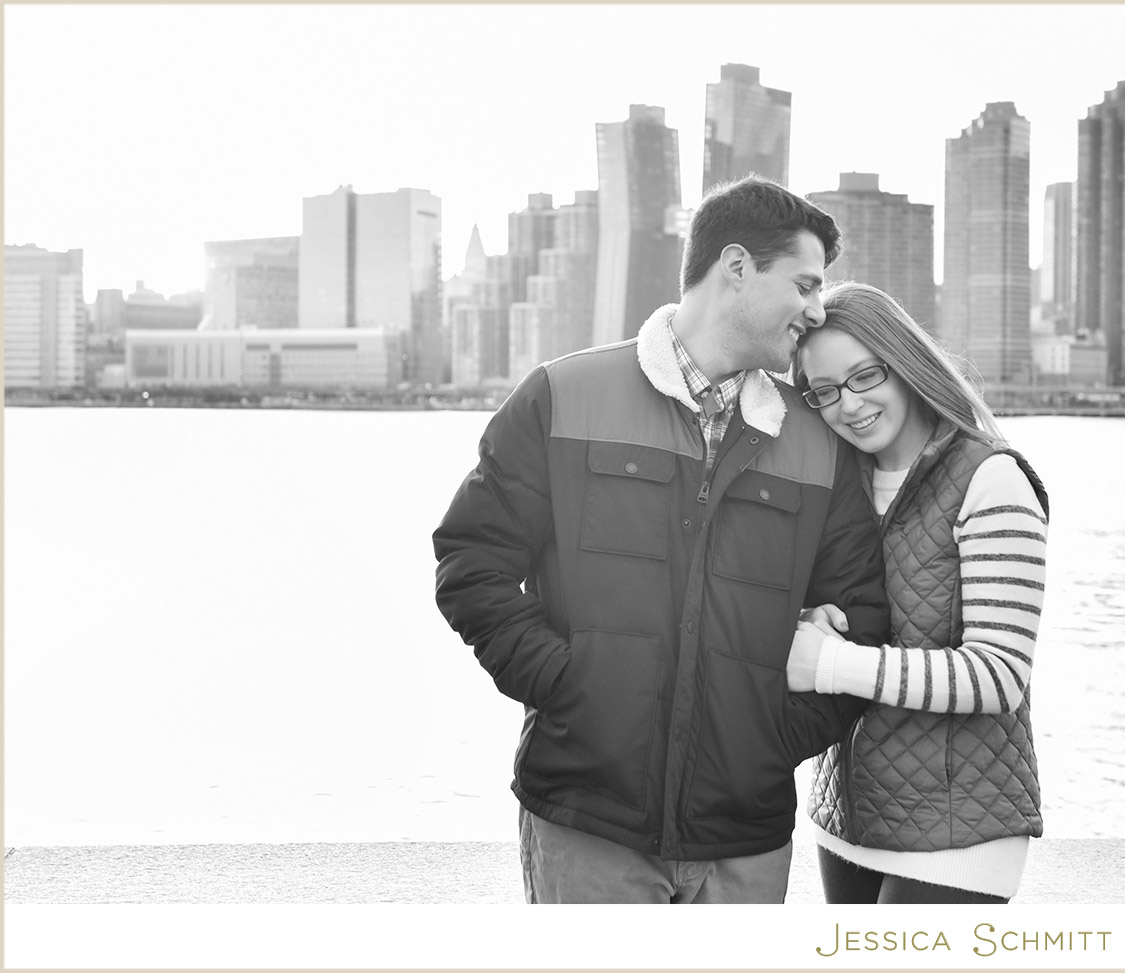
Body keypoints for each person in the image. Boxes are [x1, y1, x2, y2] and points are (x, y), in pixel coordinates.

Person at [432, 176, 889, 904]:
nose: (816, 309)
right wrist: (566, 683)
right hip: (587, 824)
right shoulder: (561, 398)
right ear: (736, 267)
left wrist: (773, 737)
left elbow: (865, 613)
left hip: (746, 839)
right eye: (804, 284)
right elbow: (470, 561)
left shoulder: (820, 443)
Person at [787, 281, 1049, 904]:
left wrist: (831, 663)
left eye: (864, 376)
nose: (848, 405)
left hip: (964, 826)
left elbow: (1000, 675)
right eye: (823, 392)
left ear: (904, 361)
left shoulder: (991, 478)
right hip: (849, 812)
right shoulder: (834, 479)